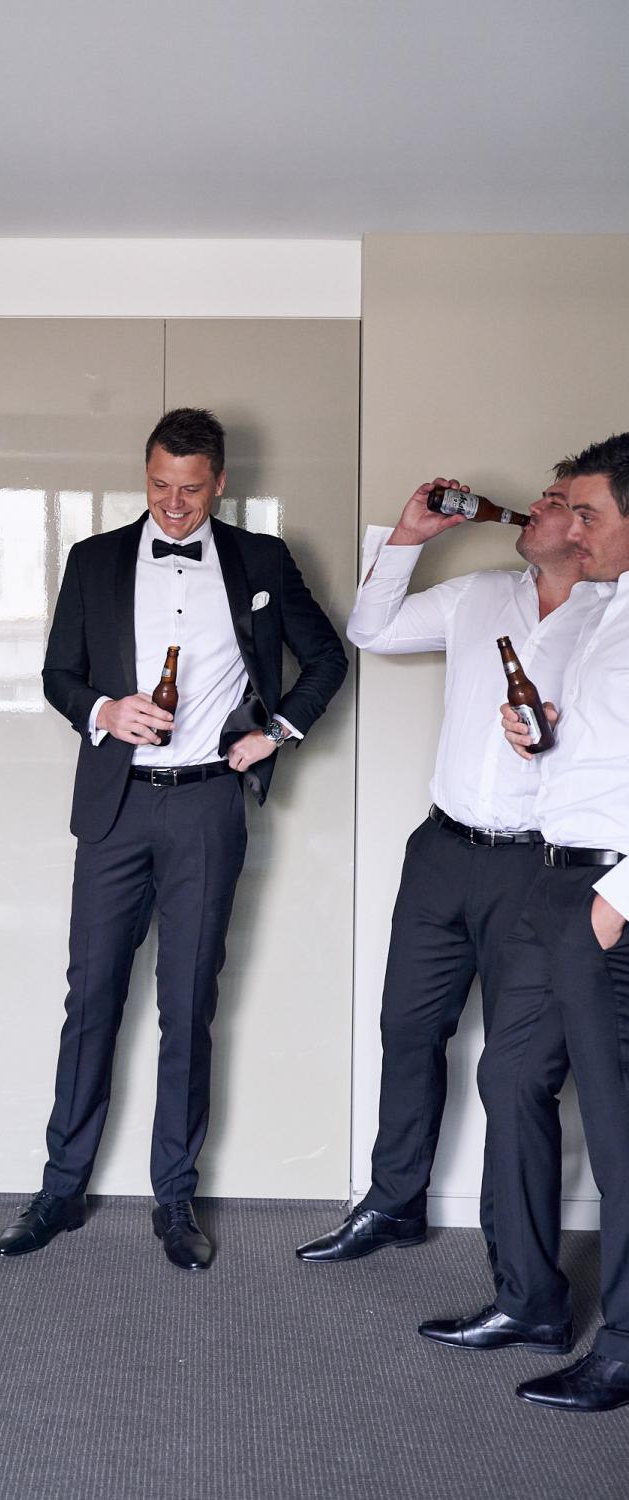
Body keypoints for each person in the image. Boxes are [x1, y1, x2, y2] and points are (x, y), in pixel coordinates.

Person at [0, 407, 348, 1270]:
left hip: (206, 810)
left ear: (220, 483)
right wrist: (105, 711)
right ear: (144, 475)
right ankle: (59, 1189)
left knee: (188, 1008)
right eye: (159, 486)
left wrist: (278, 733)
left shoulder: (260, 561)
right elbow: (56, 675)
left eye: (191, 489)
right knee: (92, 1000)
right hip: (116, 809)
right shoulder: (94, 559)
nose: (174, 505)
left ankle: (174, 1198)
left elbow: (328, 659)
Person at [298, 467, 608, 1265]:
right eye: (544, 497)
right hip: (442, 850)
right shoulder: (478, 594)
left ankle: (515, 1265)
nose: (538, 508)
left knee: (515, 1069)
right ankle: (394, 1203)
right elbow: (371, 629)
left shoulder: (610, 623)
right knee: (407, 1028)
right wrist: (408, 536)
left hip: (537, 868)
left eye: (557, 502)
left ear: (580, 530)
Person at [420, 432, 629, 1413]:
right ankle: (532, 1300)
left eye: (587, 513)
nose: (569, 530)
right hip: (557, 877)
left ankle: (624, 1348)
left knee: (620, 1137)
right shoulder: (603, 615)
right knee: (507, 1074)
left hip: (608, 903)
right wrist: (543, 738)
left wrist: (612, 904)